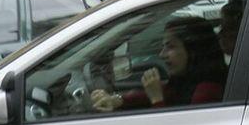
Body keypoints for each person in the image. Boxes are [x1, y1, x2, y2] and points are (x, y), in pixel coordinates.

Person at [91, 16, 227, 111]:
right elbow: (166, 93)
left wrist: (156, 99)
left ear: (193, 50)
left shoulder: (208, 90)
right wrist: (117, 100)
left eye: (171, 47)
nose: (162, 54)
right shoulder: (187, 81)